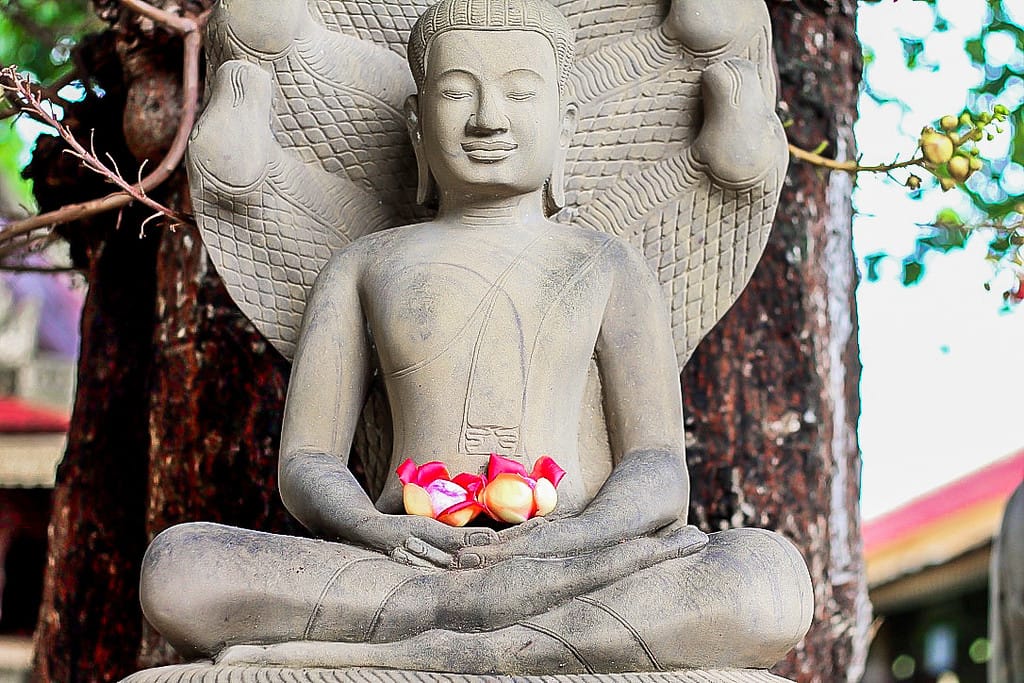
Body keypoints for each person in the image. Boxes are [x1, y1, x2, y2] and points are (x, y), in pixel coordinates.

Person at [140, 0, 812, 673]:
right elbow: (308, 461)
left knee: (768, 580)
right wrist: (376, 527)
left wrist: (579, 536)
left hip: (579, 559)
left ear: (565, 128)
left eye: (521, 92)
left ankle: (439, 646)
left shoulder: (606, 262)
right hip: (404, 564)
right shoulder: (363, 264)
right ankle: (510, 638)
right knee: (179, 568)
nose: (489, 117)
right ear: (415, 125)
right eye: (458, 91)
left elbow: (660, 467)